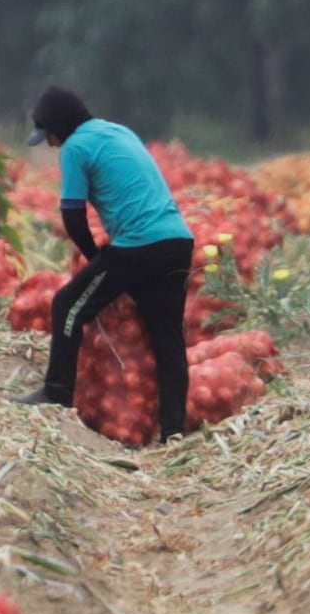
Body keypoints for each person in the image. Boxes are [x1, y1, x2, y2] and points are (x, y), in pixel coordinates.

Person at [24, 85, 195, 440]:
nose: (51, 144)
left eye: (50, 136)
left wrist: (96, 259)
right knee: (167, 337)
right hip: (177, 241)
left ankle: (56, 392)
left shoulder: (75, 147)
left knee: (68, 304)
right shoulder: (118, 131)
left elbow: (72, 215)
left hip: (139, 244)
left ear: (60, 127)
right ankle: (173, 430)